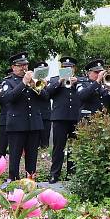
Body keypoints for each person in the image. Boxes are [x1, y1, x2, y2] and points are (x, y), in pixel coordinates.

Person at [3, 61, 49, 180]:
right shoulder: (8, 82)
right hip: (17, 126)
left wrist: (36, 84)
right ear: (13, 67)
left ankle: (30, 182)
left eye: (26, 66)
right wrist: (23, 83)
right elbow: (9, 98)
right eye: (20, 66)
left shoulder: (33, 81)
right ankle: (14, 182)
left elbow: (45, 97)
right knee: (15, 156)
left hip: (33, 124)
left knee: (32, 156)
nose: (24, 68)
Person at [46, 56, 81, 184]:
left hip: (75, 118)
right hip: (60, 118)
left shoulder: (79, 80)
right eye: (65, 67)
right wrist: (60, 81)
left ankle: (72, 174)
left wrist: (77, 83)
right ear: (61, 68)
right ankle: (54, 174)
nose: (68, 69)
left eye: (70, 67)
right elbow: (48, 93)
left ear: (74, 68)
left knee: (74, 148)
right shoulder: (55, 79)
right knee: (58, 147)